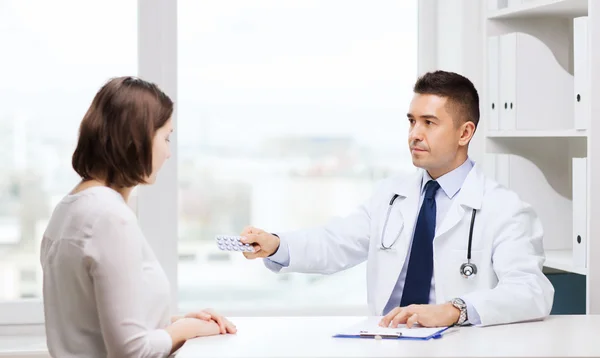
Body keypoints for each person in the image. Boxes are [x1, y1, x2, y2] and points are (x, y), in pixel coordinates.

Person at [240, 70, 554, 328]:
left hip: (458, 345)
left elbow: (531, 290)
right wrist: (278, 244)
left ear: (464, 133)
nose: (414, 134)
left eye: (429, 123)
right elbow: (335, 242)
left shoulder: (505, 209)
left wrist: (456, 309)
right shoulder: (391, 196)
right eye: (411, 121)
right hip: (386, 341)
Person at [40, 76, 236, 358]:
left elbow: (95, 328)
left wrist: (176, 323)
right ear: (137, 137)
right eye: (166, 137)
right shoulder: (109, 217)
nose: (169, 153)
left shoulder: (70, 207)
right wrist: (187, 331)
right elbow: (131, 352)